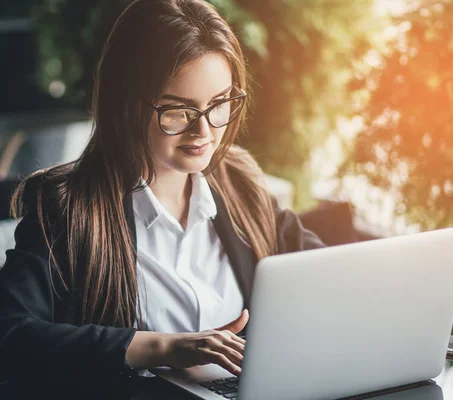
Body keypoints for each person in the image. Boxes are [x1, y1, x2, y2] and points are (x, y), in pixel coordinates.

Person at [0, 0, 324, 385]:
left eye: (219, 104)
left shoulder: (241, 182)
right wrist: (162, 347)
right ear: (126, 105)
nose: (204, 132)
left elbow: (324, 274)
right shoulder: (65, 208)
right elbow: (11, 337)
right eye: (178, 111)